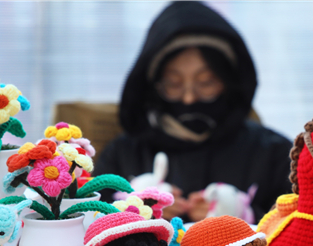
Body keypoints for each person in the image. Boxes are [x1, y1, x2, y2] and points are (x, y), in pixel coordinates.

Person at [94, 1, 292, 222]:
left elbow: (304, 223)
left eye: (206, 82)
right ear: (154, 86)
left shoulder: (273, 153)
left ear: (229, 82)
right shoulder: (123, 154)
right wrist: (131, 212)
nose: (189, 98)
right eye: (173, 83)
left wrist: (247, 216)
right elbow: (88, 218)